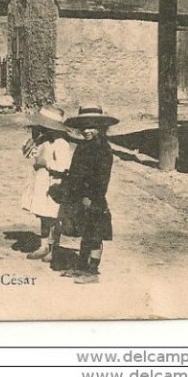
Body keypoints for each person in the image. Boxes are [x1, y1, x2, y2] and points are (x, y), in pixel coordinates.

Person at [58, 104, 119, 284]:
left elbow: (102, 178)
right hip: (79, 195)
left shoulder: (103, 149)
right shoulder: (83, 146)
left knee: (95, 235)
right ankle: (81, 266)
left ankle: (92, 271)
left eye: (91, 127)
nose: (87, 131)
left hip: (93, 198)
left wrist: (91, 197)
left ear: (101, 128)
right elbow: (76, 170)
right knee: (86, 232)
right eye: (84, 127)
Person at [19, 105, 73, 262]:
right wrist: (30, 148)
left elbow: (64, 167)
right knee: (43, 215)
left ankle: (54, 247)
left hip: (53, 184)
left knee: (54, 216)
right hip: (41, 183)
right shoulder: (42, 139)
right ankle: (43, 246)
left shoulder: (61, 143)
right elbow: (30, 156)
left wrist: (46, 163)